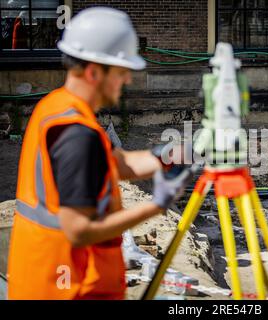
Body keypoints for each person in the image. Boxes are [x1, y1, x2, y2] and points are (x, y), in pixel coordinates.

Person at [7, 7, 191, 300]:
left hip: (48, 279)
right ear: (94, 71)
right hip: (68, 287)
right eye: (121, 72)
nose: (127, 81)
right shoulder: (77, 134)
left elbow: (116, 163)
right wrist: (156, 205)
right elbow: (78, 230)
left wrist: (164, 156)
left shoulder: (57, 107)